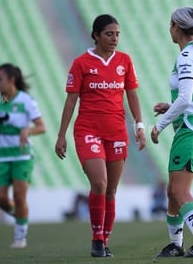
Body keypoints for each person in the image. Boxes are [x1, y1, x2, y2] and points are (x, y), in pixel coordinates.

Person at [55, 14, 146, 258]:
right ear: (96, 35)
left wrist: (140, 126)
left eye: (117, 34)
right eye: (109, 34)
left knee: (111, 191)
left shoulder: (125, 61)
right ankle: (96, 239)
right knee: (99, 183)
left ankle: (104, 241)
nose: (114, 38)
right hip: (88, 130)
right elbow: (71, 100)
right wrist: (61, 135)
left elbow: (133, 95)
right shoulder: (81, 63)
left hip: (116, 131)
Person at [151, 6, 193, 258]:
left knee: (179, 191)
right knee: (172, 191)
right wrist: (170, 106)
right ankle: (176, 244)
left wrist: (160, 124)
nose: (169, 29)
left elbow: (187, 99)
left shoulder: (187, 56)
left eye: (170, 24)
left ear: (176, 27)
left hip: (190, 130)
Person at [0, 63, 45, 248]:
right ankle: (19, 213)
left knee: (20, 195)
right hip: (1, 157)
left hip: (21, 156)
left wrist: (28, 131)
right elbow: (2, 125)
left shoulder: (26, 100)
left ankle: (20, 236)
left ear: (11, 80)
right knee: (0, 198)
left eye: (0, 79)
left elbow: (41, 127)